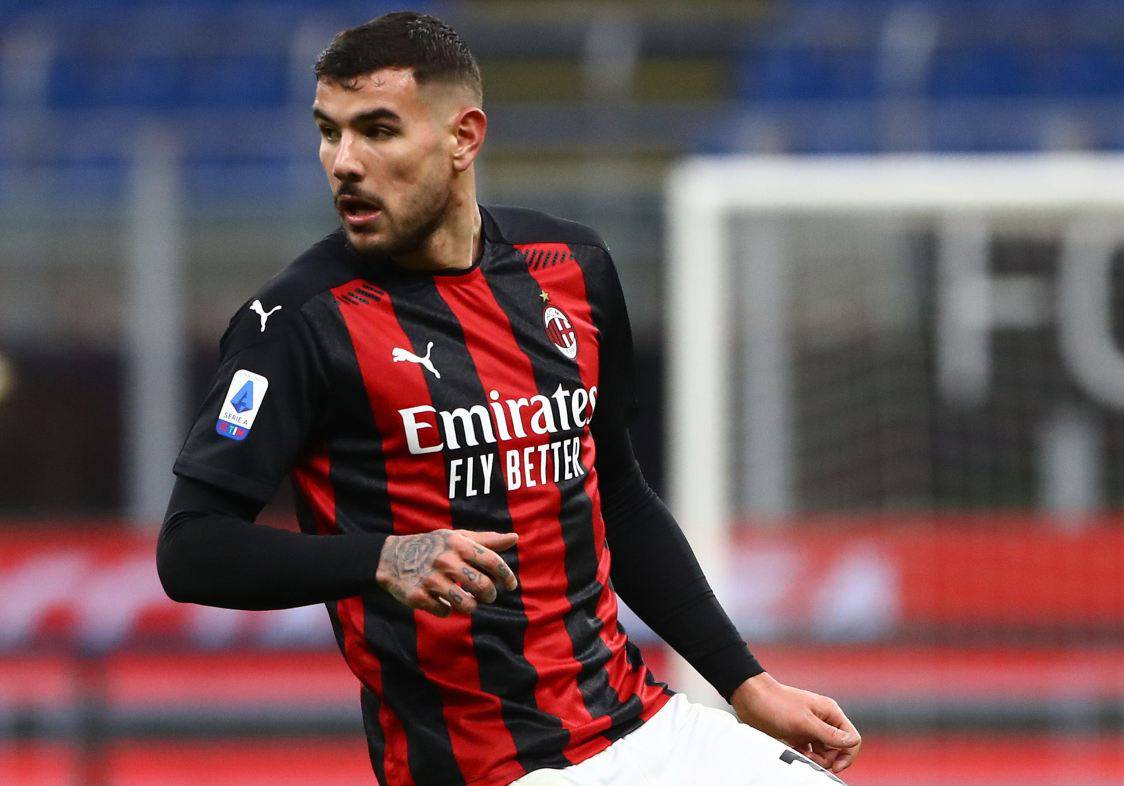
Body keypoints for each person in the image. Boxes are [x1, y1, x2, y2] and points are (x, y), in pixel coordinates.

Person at [156, 11, 860, 786]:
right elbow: (191, 549)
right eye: (330, 132)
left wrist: (746, 683)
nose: (344, 162)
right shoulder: (296, 324)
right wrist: (383, 558)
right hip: (484, 769)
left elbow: (617, 494)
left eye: (378, 131)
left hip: (642, 722)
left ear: (463, 137)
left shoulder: (572, 266)